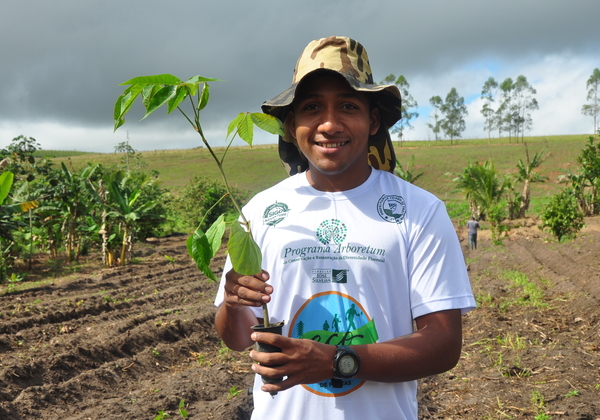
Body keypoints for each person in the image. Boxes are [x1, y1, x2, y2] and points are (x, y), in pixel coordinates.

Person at [214, 36, 476, 420]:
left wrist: (338, 360)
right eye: (312, 107)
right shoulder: (262, 210)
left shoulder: (418, 211)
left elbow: (443, 345)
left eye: (348, 106)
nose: (329, 123)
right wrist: (235, 302)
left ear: (373, 121)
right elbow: (236, 338)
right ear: (292, 123)